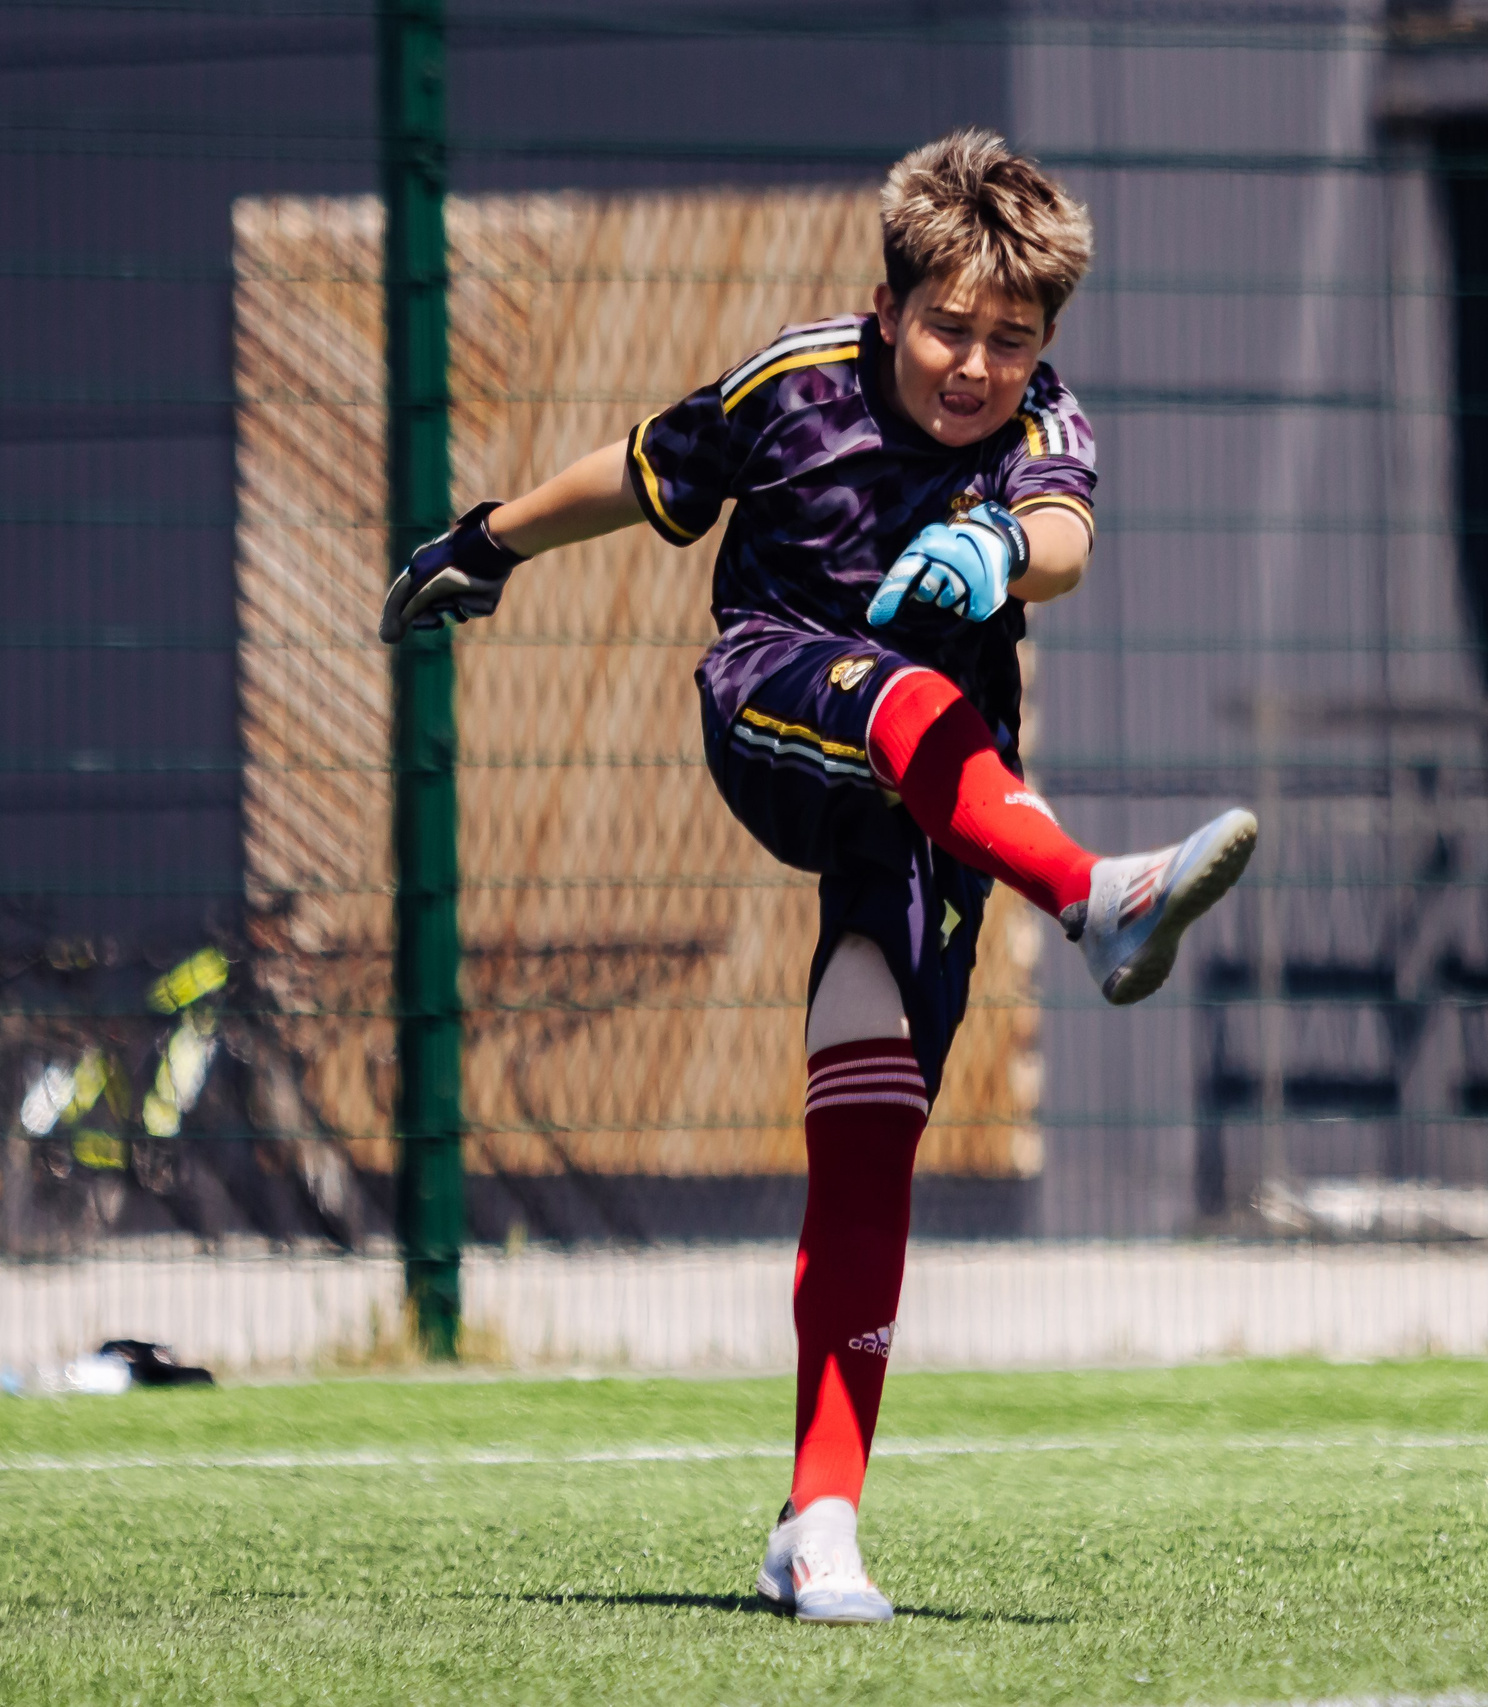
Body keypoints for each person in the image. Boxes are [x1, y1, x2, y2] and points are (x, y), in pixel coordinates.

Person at [375, 129, 1257, 1624]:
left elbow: (1063, 539)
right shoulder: (793, 385)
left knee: (871, 1143)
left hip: (937, 820)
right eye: (951, 329)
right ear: (888, 304)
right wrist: (488, 542)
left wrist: (997, 553)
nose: (979, 365)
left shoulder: (1045, 423)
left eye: (1013, 338)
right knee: (899, 694)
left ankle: (818, 1520)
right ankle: (1094, 896)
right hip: (777, 703)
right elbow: (650, 471)